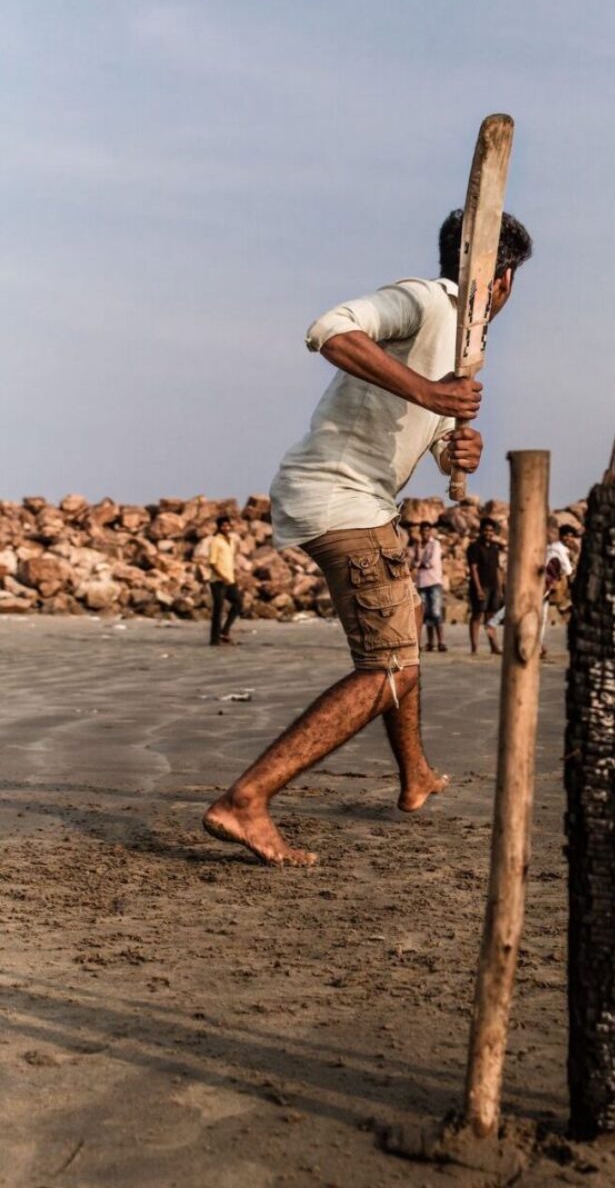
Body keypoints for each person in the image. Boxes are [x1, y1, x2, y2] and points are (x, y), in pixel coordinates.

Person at [202, 209, 533, 865]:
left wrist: (455, 447)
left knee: (405, 623)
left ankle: (414, 776)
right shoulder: (426, 299)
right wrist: (433, 397)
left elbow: (431, 436)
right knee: (389, 667)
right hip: (339, 495)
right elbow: (330, 331)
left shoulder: (466, 347)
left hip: (367, 499)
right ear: (499, 279)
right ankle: (247, 799)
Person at [467, 517, 504, 655]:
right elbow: (473, 568)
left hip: (493, 585)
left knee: (491, 616)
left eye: (491, 530)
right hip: (481, 586)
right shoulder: (474, 547)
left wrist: (499, 589)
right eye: (486, 530)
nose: (489, 533)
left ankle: (494, 646)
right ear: (481, 531)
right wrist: (478, 588)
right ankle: (474, 647)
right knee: (477, 615)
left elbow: (497, 569)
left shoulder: (494, 548)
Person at [541, 524, 580, 656]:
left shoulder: (554, 547)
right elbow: (568, 570)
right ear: (560, 536)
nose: (569, 538)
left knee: (542, 617)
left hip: (547, 584)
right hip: (545, 584)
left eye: (571, 536)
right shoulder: (559, 550)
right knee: (541, 617)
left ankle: (537, 645)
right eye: (566, 535)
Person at [207, 516, 244, 647]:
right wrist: (223, 576)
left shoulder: (231, 541)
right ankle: (214, 639)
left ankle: (224, 631)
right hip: (218, 581)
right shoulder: (216, 541)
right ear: (219, 527)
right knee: (218, 610)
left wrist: (233, 575)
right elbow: (212, 563)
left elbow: (229, 560)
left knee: (238, 604)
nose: (226, 528)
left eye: (228, 525)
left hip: (230, 580)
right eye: (223, 526)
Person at [414, 520, 446, 652]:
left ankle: (441, 642)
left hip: (434, 582)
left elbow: (430, 562)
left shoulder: (435, 544)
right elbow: (414, 561)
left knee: (436, 613)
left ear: (430, 531)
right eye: (423, 531)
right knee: (426, 614)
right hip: (422, 582)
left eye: (427, 530)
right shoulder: (419, 546)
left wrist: (419, 564)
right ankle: (430, 643)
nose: (425, 533)